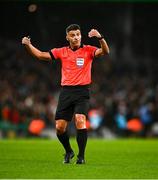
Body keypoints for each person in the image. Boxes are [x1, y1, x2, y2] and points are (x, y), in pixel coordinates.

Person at [22, 24, 109, 164]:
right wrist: (28, 45)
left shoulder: (88, 50)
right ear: (67, 37)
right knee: (59, 128)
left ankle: (81, 157)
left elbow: (105, 51)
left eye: (78, 34)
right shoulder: (61, 51)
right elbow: (41, 55)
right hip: (66, 92)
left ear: (81, 36)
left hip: (82, 91)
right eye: (73, 35)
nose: (76, 37)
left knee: (80, 120)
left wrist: (100, 37)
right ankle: (69, 151)